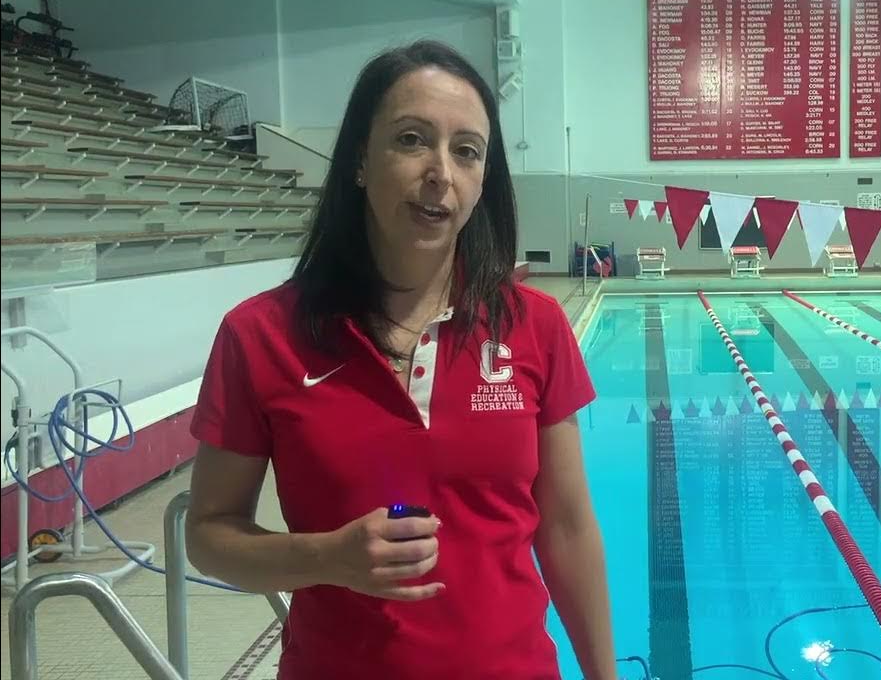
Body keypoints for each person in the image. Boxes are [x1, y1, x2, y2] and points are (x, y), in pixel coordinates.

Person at [185, 39, 617, 680]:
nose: (442, 171)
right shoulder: (260, 335)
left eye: (467, 151)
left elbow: (567, 527)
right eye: (412, 139)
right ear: (361, 158)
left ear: (482, 180)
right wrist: (328, 558)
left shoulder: (535, 326)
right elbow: (210, 534)